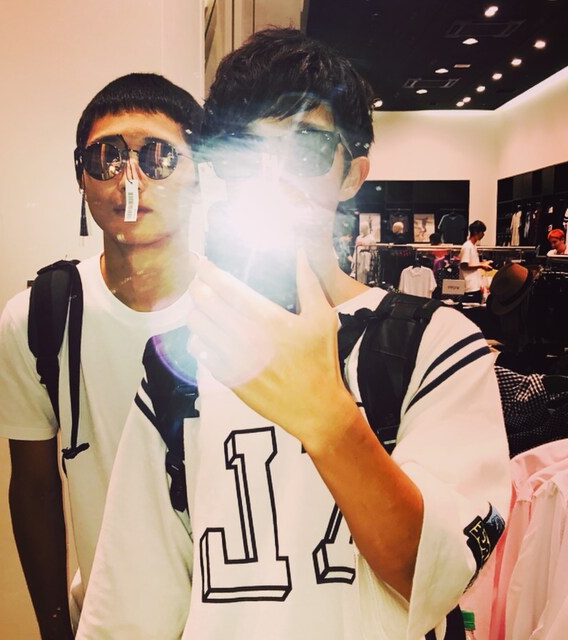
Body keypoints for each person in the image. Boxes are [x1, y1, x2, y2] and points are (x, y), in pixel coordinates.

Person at [78, 29, 510, 639]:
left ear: (353, 174)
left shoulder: (434, 345)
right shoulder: (183, 359)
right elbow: (132, 608)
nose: (271, 176)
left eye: (306, 149)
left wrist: (329, 420)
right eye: (245, 151)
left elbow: (435, 576)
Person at [0, 73, 202, 638]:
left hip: (232, 618)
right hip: (109, 621)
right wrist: (55, 628)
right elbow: (33, 489)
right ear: (81, 176)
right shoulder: (38, 317)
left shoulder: (243, 308)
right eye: (107, 157)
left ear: (200, 172)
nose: (130, 178)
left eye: (158, 156)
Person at [459, 220, 493, 304]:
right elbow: (464, 266)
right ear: (476, 232)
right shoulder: (467, 246)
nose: (483, 235)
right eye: (482, 232)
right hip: (469, 287)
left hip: (475, 286)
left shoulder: (473, 246)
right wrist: (481, 266)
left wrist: (483, 264)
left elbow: (471, 264)